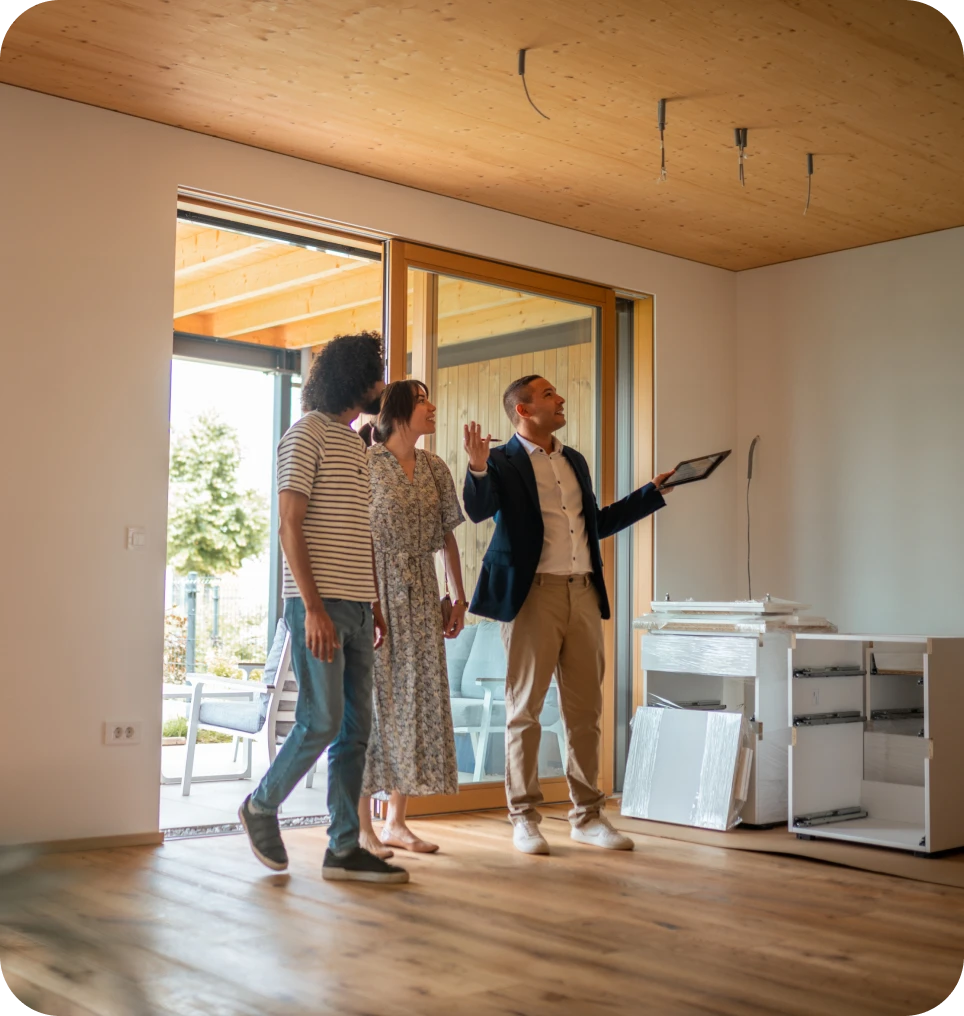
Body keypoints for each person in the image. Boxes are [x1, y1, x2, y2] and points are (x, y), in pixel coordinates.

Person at [463, 375, 675, 855]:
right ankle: (524, 818)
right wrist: (476, 469)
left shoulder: (573, 459)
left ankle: (588, 817)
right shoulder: (500, 460)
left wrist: (649, 493)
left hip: (582, 593)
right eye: (548, 395)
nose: (560, 399)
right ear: (522, 409)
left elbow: (593, 524)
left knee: (586, 713)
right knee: (525, 713)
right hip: (531, 596)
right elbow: (477, 512)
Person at [238, 332, 409, 885]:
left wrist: (375, 602)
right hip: (320, 605)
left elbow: (358, 534)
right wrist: (311, 607)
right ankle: (262, 806)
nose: (381, 385)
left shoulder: (357, 446)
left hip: (359, 605)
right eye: (374, 375)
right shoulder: (304, 433)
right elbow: (290, 524)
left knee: (356, 730)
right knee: (321, 719)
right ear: (349, 378)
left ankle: (343, 847)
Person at [358, 380, 468, 857]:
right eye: (424, 400)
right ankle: (361, 826)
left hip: (423, 591)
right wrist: (370, 600)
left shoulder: (435, 467)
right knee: (374, 706)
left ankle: (396, 822)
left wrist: (457, 595)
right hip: (376, 589)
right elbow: (357, 537)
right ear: (399, 410)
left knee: (416, 701)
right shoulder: (366, 463)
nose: (433, 407)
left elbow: (447, 536)